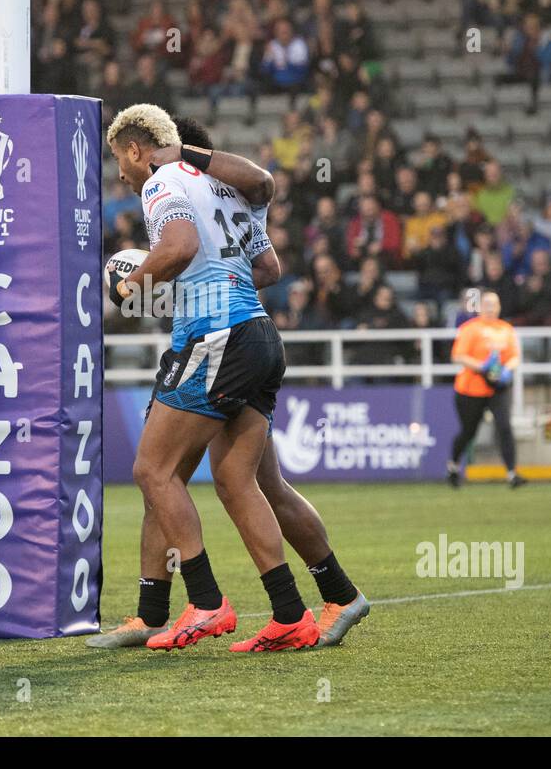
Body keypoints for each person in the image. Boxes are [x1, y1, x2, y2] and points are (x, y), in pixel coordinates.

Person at [89, 116, 368, 650]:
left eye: (119, 161)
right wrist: (193, 281)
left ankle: (206, 604)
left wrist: (134, 287)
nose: (120, 176)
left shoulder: (161, 182)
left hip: (214, 336)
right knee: (238, 480)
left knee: (155, 471)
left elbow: (178, 248)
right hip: (256, 334)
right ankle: (302, 606)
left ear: (133, 149)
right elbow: (267, 266)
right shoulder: (229, 190)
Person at [446, 290, 526, 489]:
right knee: (468, 432)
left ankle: (512, 474)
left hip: (497, 389)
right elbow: (458, 356)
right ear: (480, 307)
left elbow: (515, 356)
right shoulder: (470, 329)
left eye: (494, 304)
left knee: (505, 427)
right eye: (487, 304)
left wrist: (507, 370)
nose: (490, 308)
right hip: (471, 390)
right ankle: (454, 467)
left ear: (499, 307)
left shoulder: (506, 330)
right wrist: (482, 367)